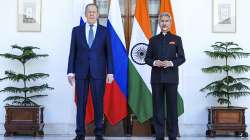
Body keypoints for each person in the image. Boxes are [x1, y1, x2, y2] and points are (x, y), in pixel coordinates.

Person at [67, 3, 113, 140]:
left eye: (94, 12)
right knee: (81, 103)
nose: (92, 14)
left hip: (99, 73)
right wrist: (70, 71)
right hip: (80, 73)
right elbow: (72, 52)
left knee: (98, 102)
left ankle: (99, 134)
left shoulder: (105, 31)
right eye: (89, 12)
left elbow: (109, 54)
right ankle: (80, 134)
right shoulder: (76, 31)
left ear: (98, 14)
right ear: (86, 15)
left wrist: (110, 72)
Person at [145, 12, 186, 140]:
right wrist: (155, 62)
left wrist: (171, 63)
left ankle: (173, 136)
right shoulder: (153, 40)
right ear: (159, 23)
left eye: (166, 21)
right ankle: (159, 136)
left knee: (172, 109)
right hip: (156, 79)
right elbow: (147, 58)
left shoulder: (177, 39)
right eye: (162, 21)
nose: (164, 23)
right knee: (158, 109)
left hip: (172, 79)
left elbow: (182, 58)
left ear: (170, 22)